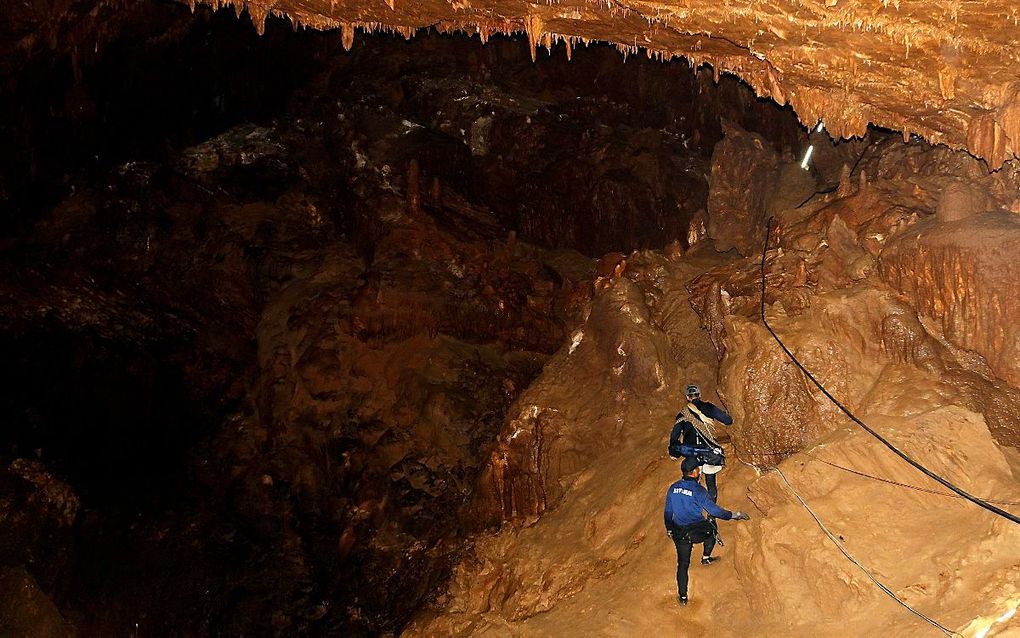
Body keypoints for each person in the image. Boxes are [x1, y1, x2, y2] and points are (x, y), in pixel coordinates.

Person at [664, 457, 751, 606]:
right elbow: (715, 511)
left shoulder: (673, 488)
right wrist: (734, 515)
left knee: (683, 565)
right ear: (694, 472)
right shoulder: (699, 491)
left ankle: (683, 597)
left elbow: (668, 512)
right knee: (711, 527)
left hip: (679, 533)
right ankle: (706, 558)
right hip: (696, 529)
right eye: (698, 469)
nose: (699, 471)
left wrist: (670, 529)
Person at [668, 383, 733, 502]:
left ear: (688, 397)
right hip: (709, 452)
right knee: (710, 483)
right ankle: (711, 517)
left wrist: (673, 453)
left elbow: (674, 437)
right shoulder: (709, 408)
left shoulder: (682, 414)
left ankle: (690, 510)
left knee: (691, 483)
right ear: (699, 395)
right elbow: (728, 420)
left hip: (691, 453)